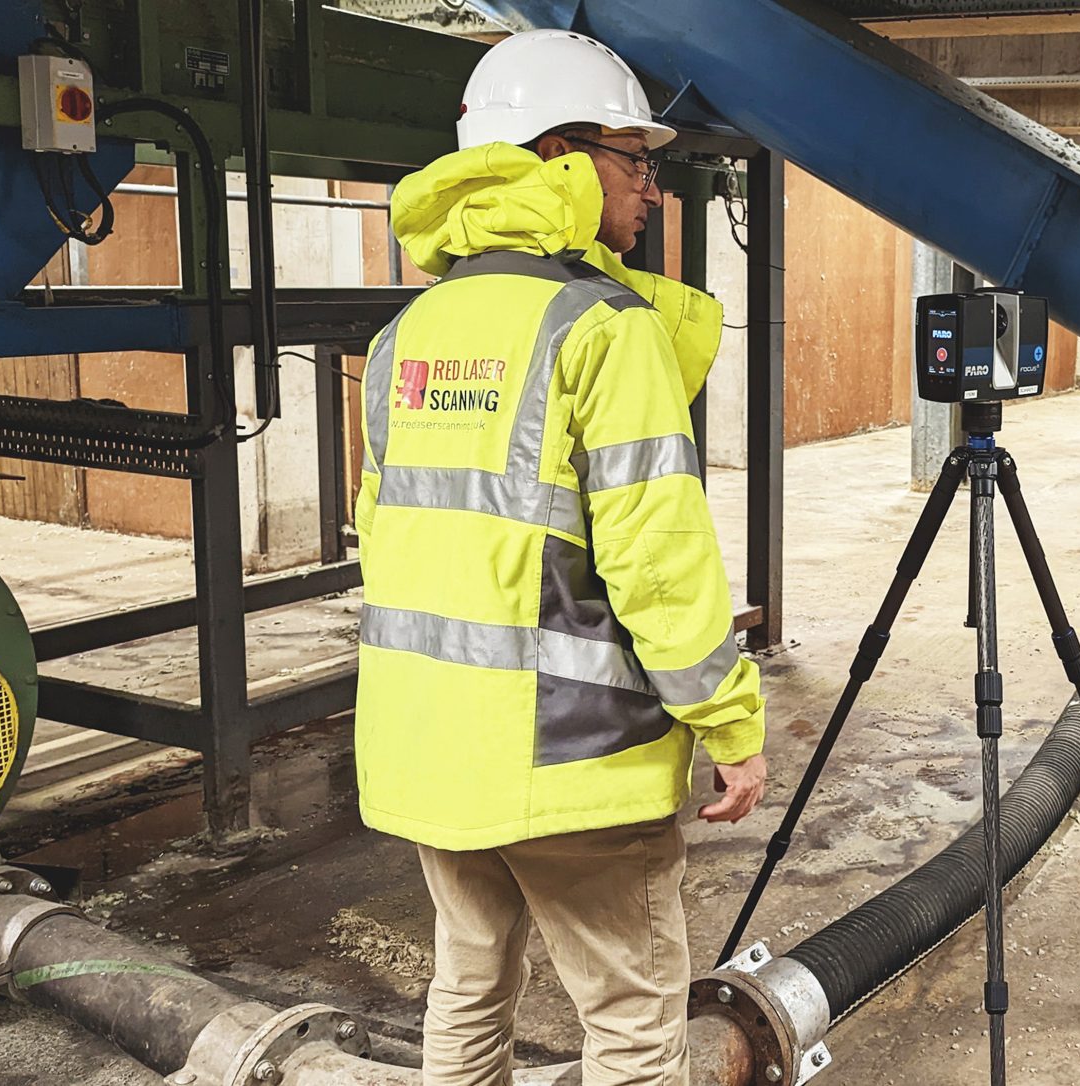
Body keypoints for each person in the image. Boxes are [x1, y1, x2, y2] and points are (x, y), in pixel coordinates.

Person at [351, 29, 769, 1086]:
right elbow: (658, 560)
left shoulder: (410, 334)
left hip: (427, 748)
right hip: (568, 760)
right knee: (631, 1027)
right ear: (560, 157)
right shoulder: (599, 326)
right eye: (636, 163)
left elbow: (394, 546)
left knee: (467, 987)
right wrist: (728, 720)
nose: (650, 192)